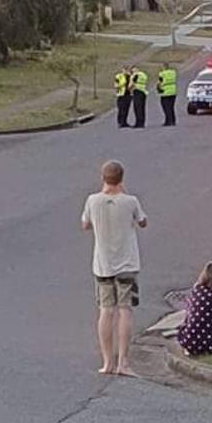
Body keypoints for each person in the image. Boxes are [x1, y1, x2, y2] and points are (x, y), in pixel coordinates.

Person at [81, 160, 148, 376]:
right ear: (122, 178)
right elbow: (143, 221)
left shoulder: (93, 200)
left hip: (103, 264)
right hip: (127, 263)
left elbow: (85, 224)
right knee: (125, 310)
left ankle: (107, 361)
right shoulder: (130, 201)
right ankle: (123, 362)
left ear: (103, 178)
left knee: (106, 310)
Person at [156, 62, 178, 127]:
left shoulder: (162, 74)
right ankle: (173, 120)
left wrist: (158, 88)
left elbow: (160, 82)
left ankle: (168, 121)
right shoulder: (173, 72)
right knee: (171, 107)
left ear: (163, 67)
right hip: (173, 91)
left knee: (166, 107)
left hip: (165, 91)